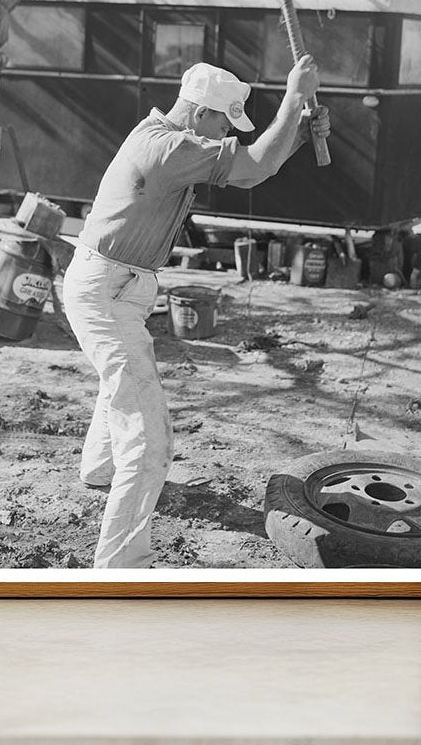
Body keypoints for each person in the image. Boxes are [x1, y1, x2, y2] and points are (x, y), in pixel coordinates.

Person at [62, 55, 330, 568]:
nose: (226, 131)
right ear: (201, 114)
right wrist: (294, 97)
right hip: (105, 289)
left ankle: (99, 470)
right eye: (224, 121)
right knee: (148, 441)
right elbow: (252, 168)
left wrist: (297, 133)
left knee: (120, 381)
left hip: (120, 286)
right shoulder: (166, 148)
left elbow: (263, 161)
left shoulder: (172, 137)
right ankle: (120, 570)